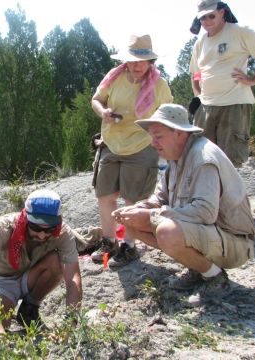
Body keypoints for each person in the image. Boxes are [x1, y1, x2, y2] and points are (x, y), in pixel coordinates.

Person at [112, 104, 255, 300]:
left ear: (179, 133)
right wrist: (137, 209)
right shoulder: (176, 157)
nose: (153, 143)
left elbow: (206, 211)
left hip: (235, 242)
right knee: (132, 223)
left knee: (166, 231)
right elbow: (160, 197)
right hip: (210, 235)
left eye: (158, 136)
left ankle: (215, 278)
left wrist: (152, 215)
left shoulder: (203, 157)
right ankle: (199, 269)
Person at [90, 34, 173, 268]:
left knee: (133, 199)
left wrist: (162, 142)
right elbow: (96, 99)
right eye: (133, 60)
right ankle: (108, 241)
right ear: (126, 60)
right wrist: (103, 112)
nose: (137, 65)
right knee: (105, 195)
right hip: (110, 141)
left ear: (150, 61)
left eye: (142, 60)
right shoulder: (114, 77)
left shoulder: (159, 84)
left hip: (141, 144)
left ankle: (129, 246)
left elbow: (166, 113)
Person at [0, 189, 82, 337]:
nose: (42, 235)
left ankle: (29, 309)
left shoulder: (63, 232)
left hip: (31, 276)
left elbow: (73, 278)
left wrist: (72, 320)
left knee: (57, 261)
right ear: (25, 218)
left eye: (50, 229)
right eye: (36, 228)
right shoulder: (3, 227)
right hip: (2, 282)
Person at [189, 0, 255, 167]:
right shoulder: (200, 42)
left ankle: (227, 193)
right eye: (203, 18)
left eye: (212, 16)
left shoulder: (239, 32)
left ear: (222, 12)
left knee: (229, 161)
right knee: (200, 159)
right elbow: (195, 72)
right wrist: (198, 95)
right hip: (206, 107)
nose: (207, 21)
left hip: (234, 104)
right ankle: (208, 193)